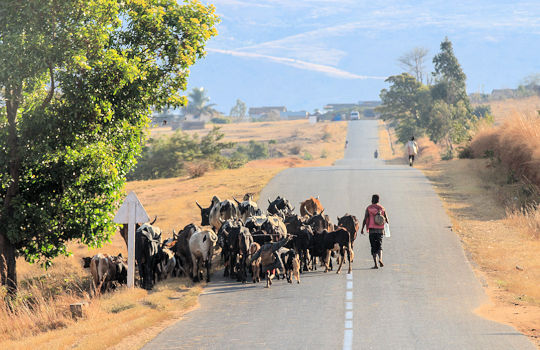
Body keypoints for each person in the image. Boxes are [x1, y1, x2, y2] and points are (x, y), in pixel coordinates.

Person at [360, 194, 389, 269]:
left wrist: (362, 228)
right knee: (379, 246)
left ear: (372, 200)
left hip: (372, 230)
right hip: (380, 230)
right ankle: (380, 259)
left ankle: (376, 264)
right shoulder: (382, 208)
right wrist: (386, 229)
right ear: (378, 200)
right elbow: (387, 220)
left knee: (373, 247)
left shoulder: (369, 208)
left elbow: (365, 218)